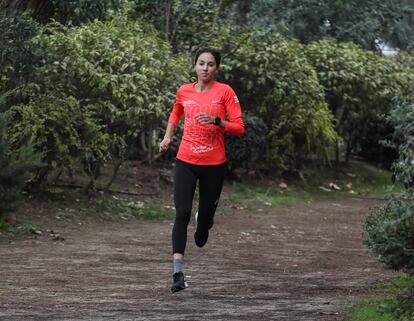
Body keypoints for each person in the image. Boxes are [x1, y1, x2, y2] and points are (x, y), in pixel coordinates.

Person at [159, 47, 245, 293]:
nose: (205, 68)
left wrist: (218, 121)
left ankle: (204, 223)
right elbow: (176, 111)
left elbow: (239, 127)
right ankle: (177, 273)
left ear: (216, 68)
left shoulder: (225, 92)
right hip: (185, 160)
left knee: (203, 224)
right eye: (201, 63)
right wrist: (167, 137)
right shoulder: (184, 90)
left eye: (210, 64)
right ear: (195, 66)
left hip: (214, 165)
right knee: (181, 213)